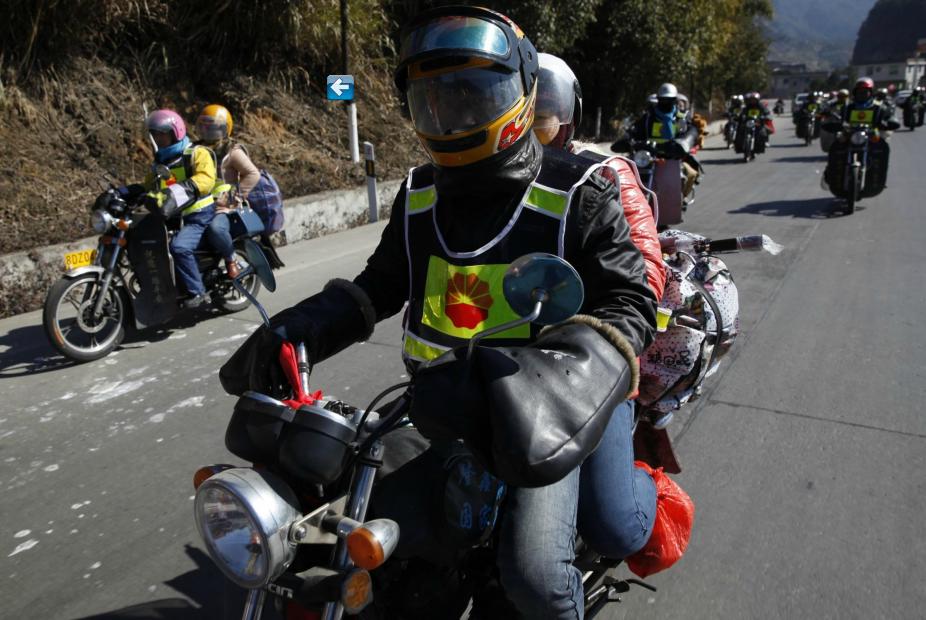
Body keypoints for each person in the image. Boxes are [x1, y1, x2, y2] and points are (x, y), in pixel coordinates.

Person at [220, 7, 670, 619]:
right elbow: (379, 286)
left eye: (474, 95)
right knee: (354, 530)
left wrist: (576, 375)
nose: (455, 114)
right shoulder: (421, 193)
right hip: (437, 407)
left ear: (521, 90)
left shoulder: (580, 188)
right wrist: (303, 327)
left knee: (537, 576)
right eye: (436, 100)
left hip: (549, 415)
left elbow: (631, 300)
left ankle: (642, 498)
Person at [121, 109, 217, 308]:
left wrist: (178, 191)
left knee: (179, 247)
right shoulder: (160, 162)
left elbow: (206, 180)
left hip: (197, 215)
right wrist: (126, 192)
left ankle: (198, 292)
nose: (159, 138)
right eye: (155, 135)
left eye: (162, 134)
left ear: (176, 132)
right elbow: (149, 186)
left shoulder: (197, 153)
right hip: (171, 216)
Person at [194, 104, 261, 279]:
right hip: (198, 204)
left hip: (223, 208)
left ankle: (232, 259)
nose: (208, 131)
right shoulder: (196, 149)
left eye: (214, 127)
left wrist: (234, 197)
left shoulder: (231, 151)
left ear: (225, 129)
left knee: (215, 229)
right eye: (204, 126)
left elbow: (253, 174)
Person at [629, 82, 700, 200]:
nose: (666, 102)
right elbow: (636, 131)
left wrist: (684, 143)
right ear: (658, 99)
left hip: (675, 158)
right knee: (628, 175)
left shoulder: (681, 117)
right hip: (649, 157)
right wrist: (629, 140)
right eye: (663, 99)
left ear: (675, 100)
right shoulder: (648, 117)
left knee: (691, 174)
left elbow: (691, 132)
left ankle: (682, 199)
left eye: (669, 100)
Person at [737, 91, 771, 157]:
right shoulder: (746, 107)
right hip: (748, 123)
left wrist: (765, 117)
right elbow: (742, 114)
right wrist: (740, 117)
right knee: (740, 130)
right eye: (751, 100)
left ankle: (765, 142)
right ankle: (739, 146)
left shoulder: (761, 106)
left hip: (757, 123)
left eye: (754, 100)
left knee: (763, 131)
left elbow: (767, 113)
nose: (752, 101)